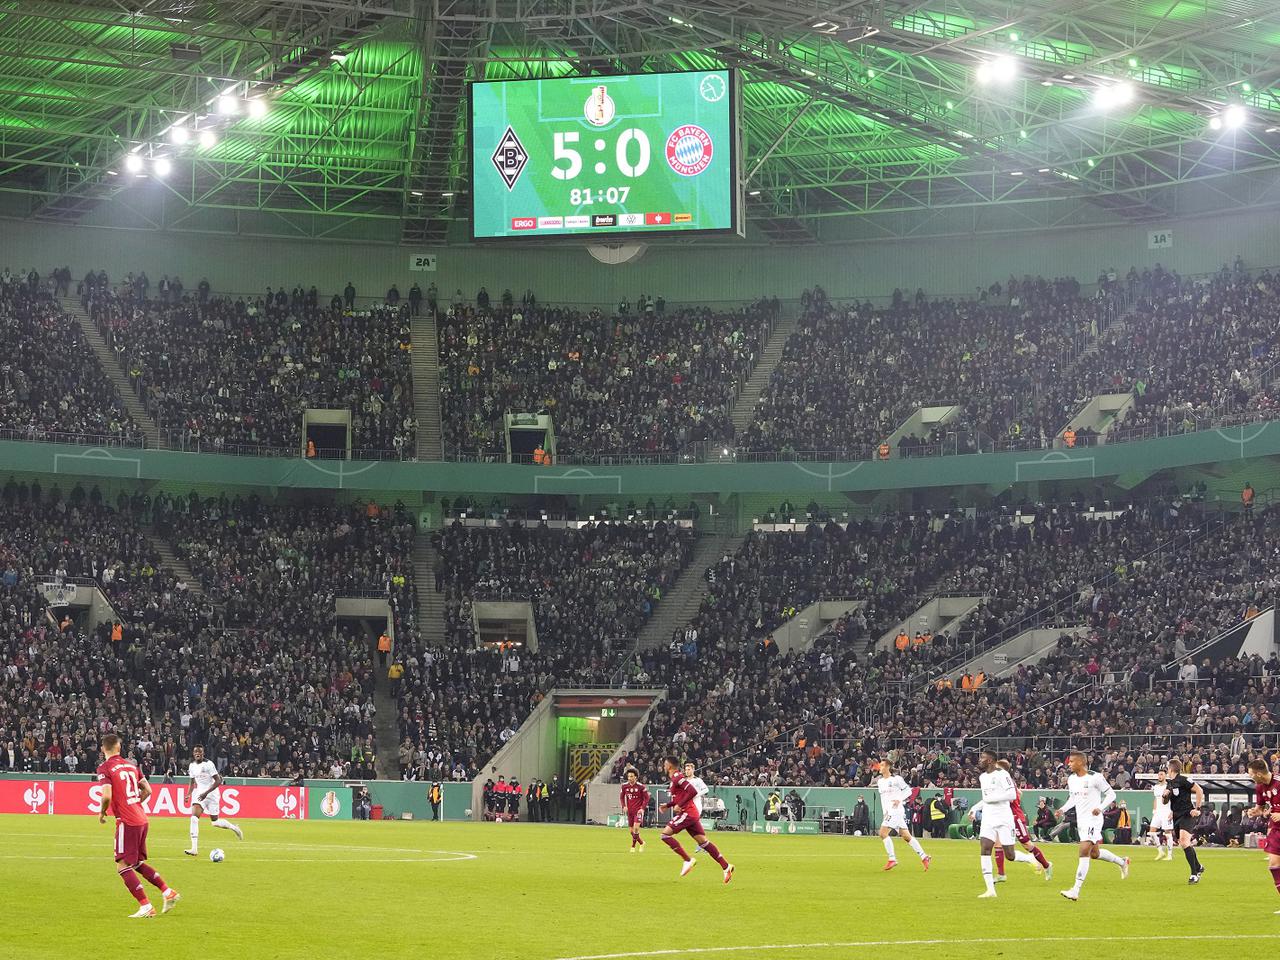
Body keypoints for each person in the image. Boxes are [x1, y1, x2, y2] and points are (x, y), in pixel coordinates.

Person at [96, 732, 181, 917]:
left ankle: (146, 906)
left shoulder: (104, 768)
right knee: (135, 863)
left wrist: (102, 812)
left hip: (127, 821)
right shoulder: (131, 765)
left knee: (122, 865)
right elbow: (148, 790)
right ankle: (168, 892)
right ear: (119, 747)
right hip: (142, 819)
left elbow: (106, 795)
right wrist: (134, 803)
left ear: (103, 749)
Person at [1058, 749, 1130, 901]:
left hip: (1094, 820)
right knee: (1094, 854)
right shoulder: (1071, 779)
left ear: (1081, 762)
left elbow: (1112, 794)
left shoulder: (1095, 777)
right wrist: (1063, 809)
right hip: (1082, 820)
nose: (1069, 764)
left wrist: (1101, 807)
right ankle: (1122, 862)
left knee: (1083, 850)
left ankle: (1075, 890)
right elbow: (1073, 798)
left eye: (1071, 761)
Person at [657, 756, 733, 882]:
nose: (663, 767)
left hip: (687, 813)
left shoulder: (677, 777)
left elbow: (692, 791)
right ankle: (726, 866)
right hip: (691, 814)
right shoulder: (675, 778)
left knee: (665, 835)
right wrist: (668, 805)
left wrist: (679, 805)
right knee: (703, 843)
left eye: (665, 764)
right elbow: (678, 797)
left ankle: (688, 860)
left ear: (668, 765)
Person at [971, 750, 1035, 897]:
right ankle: (990, 890)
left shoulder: (1002, 774)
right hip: (988, 818)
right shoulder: (982, 777)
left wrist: (992, 798)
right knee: (985, 849)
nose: (979, 760)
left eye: (982, 758)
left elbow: (1012, 795)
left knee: (1010, 855)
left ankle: (1029, 858)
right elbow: (986, 798)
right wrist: (974, 809)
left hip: (1004, 818)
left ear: (990, 761)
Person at [990, 759, 1052, 880]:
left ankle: (1046, 865)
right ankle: (1001, 874)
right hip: (1004, 818)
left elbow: (1012, 797)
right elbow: (1020, 793)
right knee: (997, 843)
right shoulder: (1004, 782)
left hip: (1015, 817)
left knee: (1027, 844)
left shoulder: (1007, 783)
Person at [184, 745, 243, 856]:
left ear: (203, 753)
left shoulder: (209, 764)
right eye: (196, 752)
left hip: (212, 794)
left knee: (215, 822)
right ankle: (194, 849)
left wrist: (206, 793)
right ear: (193, 753)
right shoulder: (191, 766)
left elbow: (218, 781)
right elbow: (192, 782)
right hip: (199, 794)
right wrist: (188, 794)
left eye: (200, 752)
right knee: (194, 819)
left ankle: (234, 828)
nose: (198, 753)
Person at [875, 759, 931, 872]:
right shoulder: (880, 782)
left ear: (888, 767)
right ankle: (924, 856)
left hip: (895, 810)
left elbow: (909, 791)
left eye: (882, 765)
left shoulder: (897, 779)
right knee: (906, 836)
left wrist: (899, 799)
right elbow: (883, 799)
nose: (879, 767)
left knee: (882, 833)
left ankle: (892, 859)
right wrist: (885, 812)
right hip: (889, 811)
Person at [1164, 758, 1207, 883]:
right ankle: (1198, 867)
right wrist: (1164, 795)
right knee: (1184, 843)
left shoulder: (1184, 779)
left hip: (1187, 814)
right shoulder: (1169, 783)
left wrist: (1197, 808)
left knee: (1184, 841)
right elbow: (1165, 801)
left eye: (1167, 767)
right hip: (1176, 816)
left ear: (1171, 768)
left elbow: (1199, 790)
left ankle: (1194, 874)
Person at [1246, 758, 1280, 912]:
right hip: (1276, 829)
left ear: (1259, 773)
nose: (1250, 777)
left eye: (1251, 774)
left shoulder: (1279, 783)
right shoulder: (1260, 787)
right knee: (1273, 865)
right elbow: (1260, 808)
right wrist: (1255, 812)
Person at [620, 767, 651, 853]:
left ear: (636, 777)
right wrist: (624, 806)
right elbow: (621, 797)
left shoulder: (641, 787)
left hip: (638, 811)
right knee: (631, 831)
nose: (629, 778)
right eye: (628, 776)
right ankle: (641, 843)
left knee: (636, 828)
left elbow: (647, 798)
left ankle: (633, 846)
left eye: (631, 776)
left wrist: (642, 808)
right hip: (630, 811)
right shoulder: (624, 786)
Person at [1149, 768, 1176, 860]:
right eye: (1159, 775)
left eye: (1161, 774)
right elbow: (1156, 799)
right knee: (1152, 832)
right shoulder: (1156, 787)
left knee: (1168, 833)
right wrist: (1154, 811)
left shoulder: (1169, 786)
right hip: (1158, 812)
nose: (1160, 776)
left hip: (1166, 811)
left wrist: (1172, 812)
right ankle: (1160, 852)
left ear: (1165, 776)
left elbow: (1174, 800)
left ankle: (1170, 854)